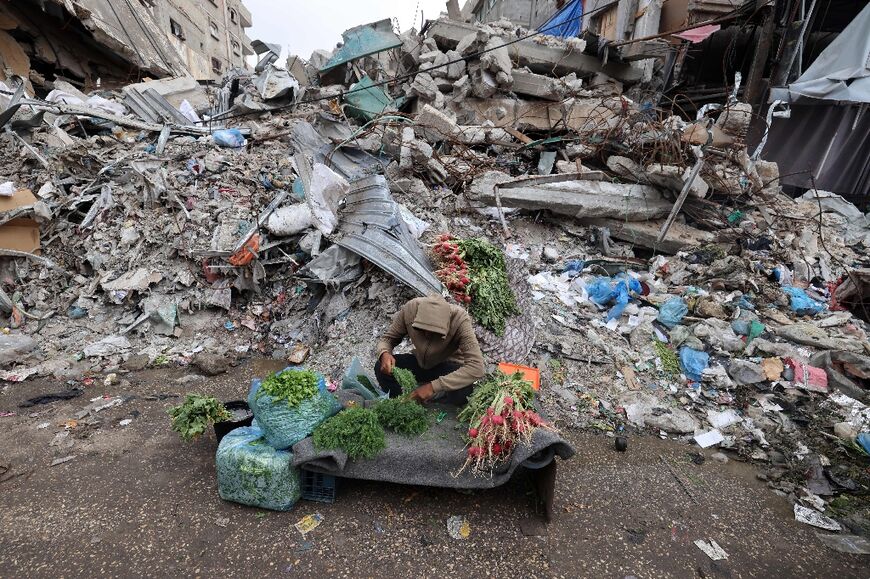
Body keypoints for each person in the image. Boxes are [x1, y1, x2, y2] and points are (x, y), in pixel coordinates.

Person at [374, 294, 485, 404]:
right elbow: (387, 339)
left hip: (447, 366)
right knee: (380, 366)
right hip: (420, 362)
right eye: (422, 330)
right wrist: (384, 353)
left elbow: (477, 367)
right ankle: (400, 402)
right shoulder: (410, 310)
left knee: (463, 393)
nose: (427, 335)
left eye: (434, 333)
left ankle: (438, 401)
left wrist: (433, 387)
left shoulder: (460, 319)